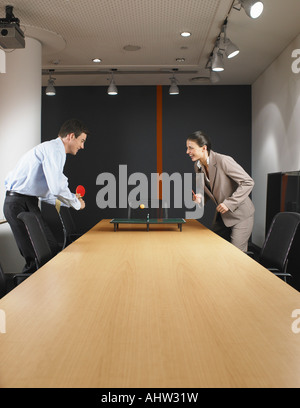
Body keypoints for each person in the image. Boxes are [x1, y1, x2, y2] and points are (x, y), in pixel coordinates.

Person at [3, 118, 88, 273]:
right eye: (81, 141)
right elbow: (56, 187)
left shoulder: (54, 151)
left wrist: (71, 200)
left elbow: (47, 194)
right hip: (17, 204)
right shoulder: (54, 149)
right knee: (35, 259)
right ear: (71, 136)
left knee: (50, 250)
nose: (82, 146)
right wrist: (76, 203)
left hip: (28, 202)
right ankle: (22, 295)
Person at [186, 130, 255, 252]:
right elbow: (206, 190)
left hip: (241, 215)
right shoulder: (197, 166)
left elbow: (248, 182)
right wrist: (199, 198)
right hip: (223, 216)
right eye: (187, 148)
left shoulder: (223, 160)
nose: (188, 152)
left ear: (203, 148)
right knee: (212, 247)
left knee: (236, 255)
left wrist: (229, 203)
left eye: (191, 148)